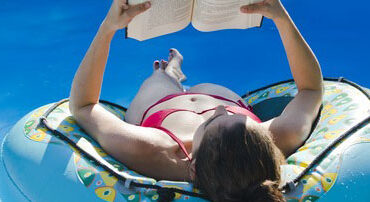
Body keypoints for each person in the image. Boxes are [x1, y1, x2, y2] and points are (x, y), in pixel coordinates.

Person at [69, 0, 323, 201]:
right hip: (214, 91)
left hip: (161, 110)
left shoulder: (151, 150)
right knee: (208, 92)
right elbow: (311, 90)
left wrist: (108, 27)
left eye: (214, 121)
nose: (221, 110)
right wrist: (281, 18)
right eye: (240, 120)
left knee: (157, 80)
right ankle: (175, 74)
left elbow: (83, 106)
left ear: (193, 168)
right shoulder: (280, 135)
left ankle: (171, 74)